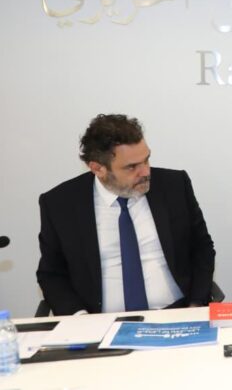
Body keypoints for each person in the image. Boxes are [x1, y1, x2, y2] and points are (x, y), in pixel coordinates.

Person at [36, 114, 216, 315]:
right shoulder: (60, 204)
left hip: (175, 312)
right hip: (99, 320)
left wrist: (196, 305)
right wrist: (80, 318)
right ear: (98, 168)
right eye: (132, 167)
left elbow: (202, 248)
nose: (145, 172)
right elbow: (52, 274)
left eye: (146, 160)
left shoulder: (174, 185)